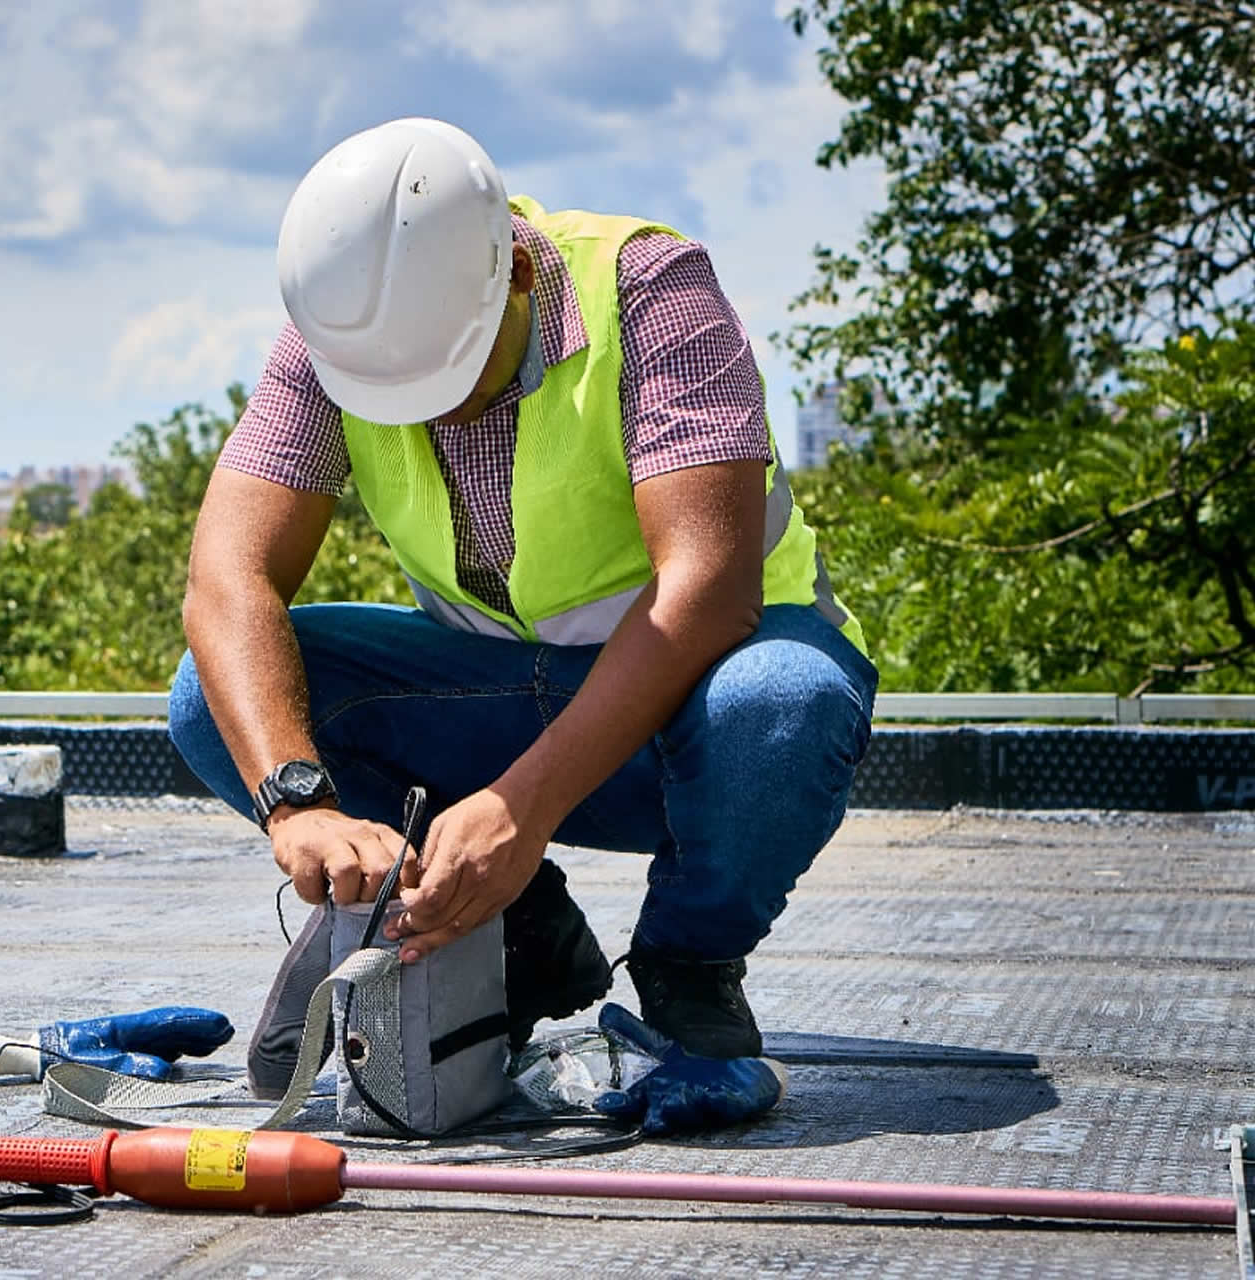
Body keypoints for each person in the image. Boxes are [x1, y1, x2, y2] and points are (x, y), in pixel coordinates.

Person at [168, 117, 877, 1058]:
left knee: (782, 703)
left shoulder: (652, 291)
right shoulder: (336, 344)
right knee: (209, 698)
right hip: (504, 700)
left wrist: (522, 809)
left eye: (445, 376)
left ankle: (688, 966)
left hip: (691, 715)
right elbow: (227, 579)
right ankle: (518, 932)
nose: (423, 409)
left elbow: (707, 591)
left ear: (519, 276)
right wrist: (300, 803)